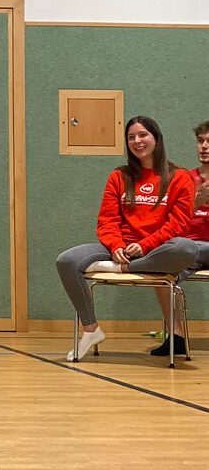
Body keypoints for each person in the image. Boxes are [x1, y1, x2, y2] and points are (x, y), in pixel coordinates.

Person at [56, 115, 197, 360]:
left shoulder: (179, 177)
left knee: (186, 248)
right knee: (66, 261)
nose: (137, 141)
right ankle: (91, 329)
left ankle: (122, 268)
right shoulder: (119, 176)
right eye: (131, 137)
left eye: (143, 135)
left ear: (156, 138)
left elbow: (179, 224)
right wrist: (116, 246)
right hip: (118, 249)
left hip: (158, 249)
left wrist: (144, 246)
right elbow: (107, 220)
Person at [147, 120, 209, 356]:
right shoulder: (184, 178)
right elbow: (168, 219)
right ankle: (177, 336)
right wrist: (197, 201)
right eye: (200, 140)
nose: (204, 146)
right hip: (189, 248)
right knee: (160, 270)